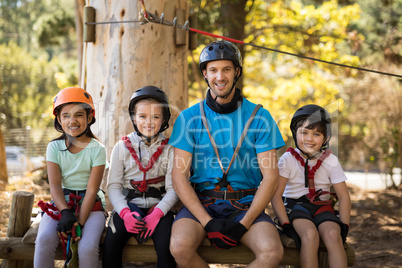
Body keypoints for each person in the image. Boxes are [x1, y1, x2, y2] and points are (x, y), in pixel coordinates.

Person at [168, 40, 285, 268]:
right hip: (202, 204)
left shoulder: (260, 117)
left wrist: (245, 224)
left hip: (246, 206)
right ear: (205, 73)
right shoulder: (188, 118)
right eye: (213, 70)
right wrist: (207, 222)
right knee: (179, 247)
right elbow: (179, 177)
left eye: (226, 69)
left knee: (272, 252)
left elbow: (271, 177)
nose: (219, 77)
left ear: (237, 72)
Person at [103, 86, 178, 268]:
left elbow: (173, 188)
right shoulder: (121, 147)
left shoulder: (170, 149)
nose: (149, 122)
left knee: (166, 247)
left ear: (164, 119)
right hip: (128, 206)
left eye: (156, 117)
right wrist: (124, 213)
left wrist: (158, 213)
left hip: (159, 207)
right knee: (110, 244)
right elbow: (113, 186)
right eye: (142, 116)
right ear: (134, 118)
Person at [34, 87, 107, 268]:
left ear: (89, 118)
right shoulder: (54, 148)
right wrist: (65, 212)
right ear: (59, 119)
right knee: (43, 240)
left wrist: (78, 223)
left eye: (79, 115)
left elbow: (91, 190)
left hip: (91, 207)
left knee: (88, 248)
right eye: (65, 115)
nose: (72, 120)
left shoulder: (97, 150)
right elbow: (55, 186)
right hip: (61, 203)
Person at [271, 104, 351, 268]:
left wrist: (344, 226)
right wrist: (285, 224)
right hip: (296, 207)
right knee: (310, 234)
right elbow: (276, 195)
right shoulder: (287, 159)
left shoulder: (330, 160)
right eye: (304, 133)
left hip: (322, 207)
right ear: (295, 134)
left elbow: (343, 197)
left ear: (326, 138)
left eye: (316, 134)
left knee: (333, 235)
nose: (309, 138)